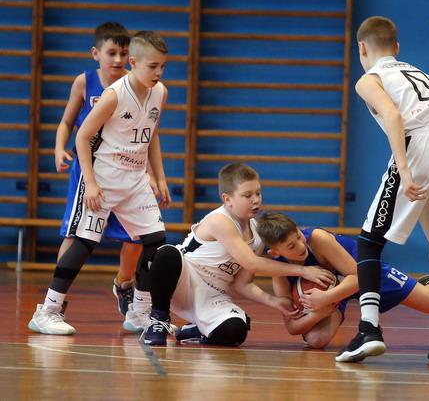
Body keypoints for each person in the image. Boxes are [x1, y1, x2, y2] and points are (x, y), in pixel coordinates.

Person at [337, 16, 429, 364]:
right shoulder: (419, 72)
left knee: (370, 241)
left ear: (361, 47)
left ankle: (369, 329)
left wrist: (406, 170)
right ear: (396, 47)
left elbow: (393, 116)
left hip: (421, 144)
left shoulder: (370, 78)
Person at [28, 30, 172, 335]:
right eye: (152, 66)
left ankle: (140, 312)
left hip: (136, 180)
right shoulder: (114, 95)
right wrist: (91, 184)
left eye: (162, 66)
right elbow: (82, 137)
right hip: (104, 177)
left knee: (155, 242)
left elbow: (151, 136)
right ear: (134, 63)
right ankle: (48, 310)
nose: (158, 72)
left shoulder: (160, 92)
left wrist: (160, 177)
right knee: (84, 242)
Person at [141, 163, 336, 347]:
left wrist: (274, 301)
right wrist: (303, 271)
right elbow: (253, 263)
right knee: (166, 253)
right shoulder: (220, 221)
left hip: (213, 295)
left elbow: (243, 284)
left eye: (258, 193)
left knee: (235, 331)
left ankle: (200, 330)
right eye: (247, 195)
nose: (256, 200)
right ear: (227, 199)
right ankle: (159, 319)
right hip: (181, 281)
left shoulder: (257, 233)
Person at [229, 211, 429, 350]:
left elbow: (360, 277)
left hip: (359, 272)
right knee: (315, 340)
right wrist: (320, 311)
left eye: (299, 237)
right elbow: (292, 327)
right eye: (291, 246)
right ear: (275, 254)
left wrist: (327, 297)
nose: (300, 246)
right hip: (333, 292)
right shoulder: (279, 272)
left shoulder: (318, 239)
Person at [53, 22, 142, 318]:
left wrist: (156, 176)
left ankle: (124, 283)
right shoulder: (84, 81)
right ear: (96, 53)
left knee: (135, 236)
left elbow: (148, 132)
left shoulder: (135, 83)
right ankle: (57, 299)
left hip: (125, 169)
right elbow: (67, 122)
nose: (117, 59)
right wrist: (59, 147)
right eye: (111, 53)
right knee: (73, 234)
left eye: (123, 54)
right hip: (88, 170)